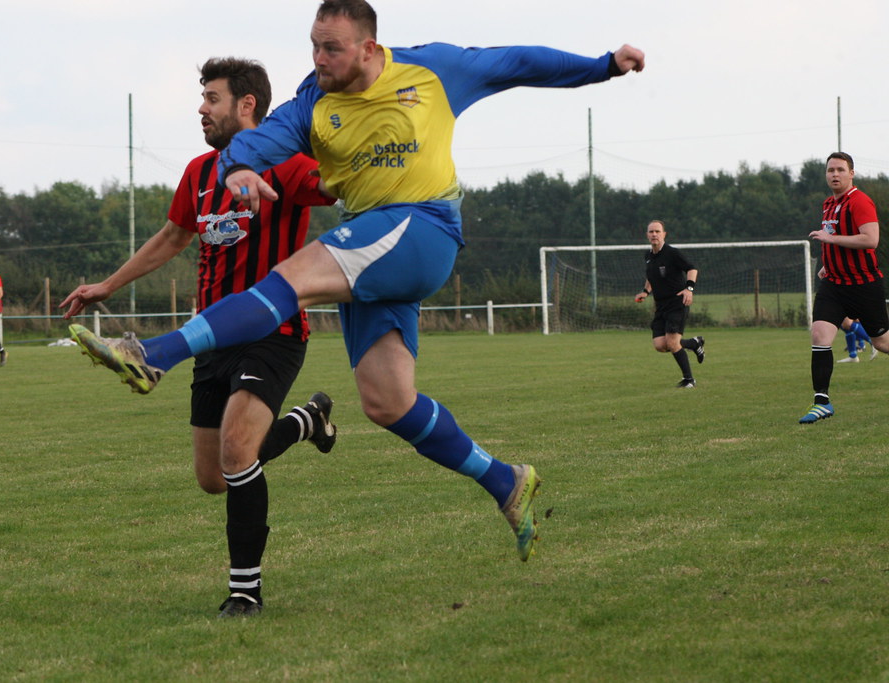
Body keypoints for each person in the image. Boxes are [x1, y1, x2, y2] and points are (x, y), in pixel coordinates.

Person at [68, 0, 645, 564]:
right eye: (314, 45)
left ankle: (152, 355)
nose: (319, 58)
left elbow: (517, 61)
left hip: (423, 226)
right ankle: (507, 481)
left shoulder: (432, 69)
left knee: (286, 279)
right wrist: (239, 166)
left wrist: (601, 66)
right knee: (387, 402)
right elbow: (253, 142)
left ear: (369, 47)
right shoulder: (311, 101)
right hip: (372, 242)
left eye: (332, 47)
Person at [61, 58, 338, 618]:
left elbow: (336, 184)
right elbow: (171, 237)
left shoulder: (288, 163)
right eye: (202, 98)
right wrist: (108, 286)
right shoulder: (197, 172)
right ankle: (309, 422)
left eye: (211, 98)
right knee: (214, 477)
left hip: (273, 334)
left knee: (239, 451)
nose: (201, 108)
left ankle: (245, 593)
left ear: (247, 105)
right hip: (206, 341)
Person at [799, 152, 889, 423]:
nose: (834, 174)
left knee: (882, 341)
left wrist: (832, 239)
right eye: (830, 170)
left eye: (840, 169)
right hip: (834, 285)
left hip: (864, 284)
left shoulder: (860, 201)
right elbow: (834, 242)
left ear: (852, 173)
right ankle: (821, 401)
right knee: (819, 335)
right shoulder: (828, 203)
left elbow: (870, 240)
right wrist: (828, 264)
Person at [634, 220, 705, 388]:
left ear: (664, 234)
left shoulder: (672, 253)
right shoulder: (648, 256)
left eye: (657, 231)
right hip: (660, 306)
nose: (654, 234)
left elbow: (692, 269)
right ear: (647, 235)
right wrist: (645, 291)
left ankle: (689, 380)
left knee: (672, 343)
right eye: (651, 231)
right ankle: (694, 343)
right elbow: (651, 277)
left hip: (677, 303)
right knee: (660, 345)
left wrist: (689, 289)